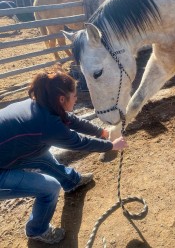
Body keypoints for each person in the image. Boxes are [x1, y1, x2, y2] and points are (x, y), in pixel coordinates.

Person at [0, 68, 127, 244]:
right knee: (50, 187)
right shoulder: (46, 123)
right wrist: (111, 146)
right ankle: (37, 230)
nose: (76, 99)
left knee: (42, 153)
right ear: (62, 99)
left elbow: (73, 120)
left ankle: (71, 181)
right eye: (74, 96)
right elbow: (79, 142)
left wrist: (103, 132)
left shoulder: (44, 105)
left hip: (7, 153)